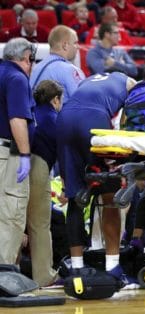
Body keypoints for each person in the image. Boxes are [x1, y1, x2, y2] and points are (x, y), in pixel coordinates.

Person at [56, 72, 137, 286]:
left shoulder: (89, 80)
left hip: (64, 119)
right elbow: (131, 121)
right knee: (109, 195)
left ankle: (76, 267)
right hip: (93, 119)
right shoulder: (129, 83)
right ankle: (113, 267)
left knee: (74, 197)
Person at [0, 38, 35, 265]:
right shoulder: (16, 78)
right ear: (25, 58)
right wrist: (24, 155)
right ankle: (4, 274)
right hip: (8, 154)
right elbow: (17, 119)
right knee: (12, 213)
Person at [28, 79, 63, 286]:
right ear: (55, 99)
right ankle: (44, 276)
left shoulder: (30, 112)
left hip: (15, 162)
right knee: (39, 224)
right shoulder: (54, 119)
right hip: (38, 167)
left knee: (13, 224)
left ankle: (8, 272)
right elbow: (64, 155)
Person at [30, 25, 85, 101]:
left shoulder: (36, 68)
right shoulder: (70, 70)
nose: (78, 47)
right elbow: (84, 102)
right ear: (65, 45)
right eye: (75, 43)